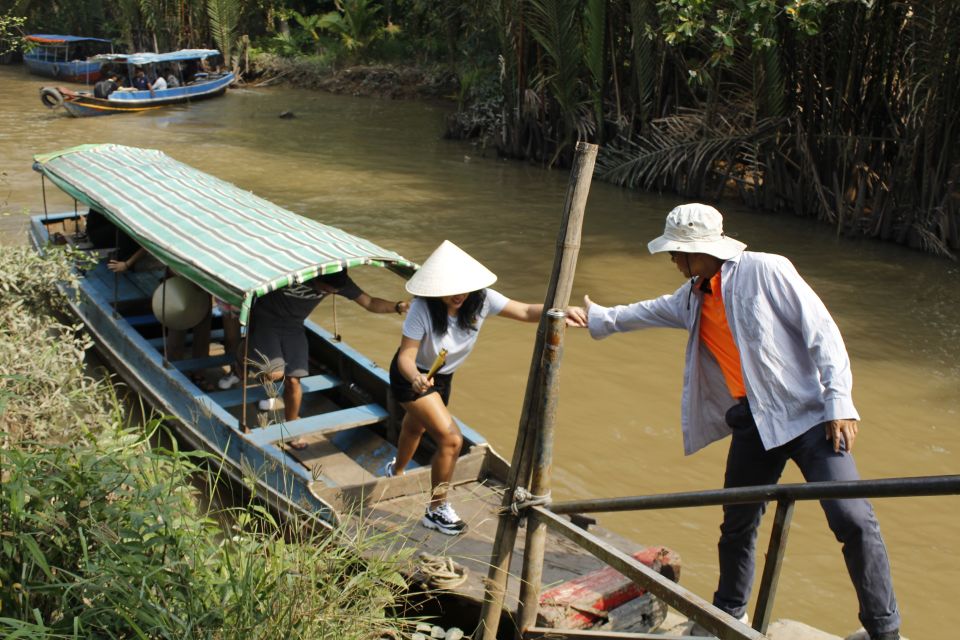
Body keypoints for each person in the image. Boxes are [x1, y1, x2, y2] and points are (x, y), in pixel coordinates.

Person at [571, 204, 900, 640]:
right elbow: (645, 312)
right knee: (737, 522)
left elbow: (822, 331)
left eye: (675, 252)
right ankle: (728, 614)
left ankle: (884, 630)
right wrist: (597, 318)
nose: (671, 261)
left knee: (853, 518)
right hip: (755, 421)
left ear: (698, 250)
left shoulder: (766, 270)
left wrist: (840, 401)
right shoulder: (693, 294)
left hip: (811, 417)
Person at [386, 240, 586, 536]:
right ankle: (436, 509)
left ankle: (396, 471)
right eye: (451, 289)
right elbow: (405, 356)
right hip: (412, 377)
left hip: (442, 377)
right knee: (452, 440)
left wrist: (561, 311)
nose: (459, 295)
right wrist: (415, 377)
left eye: (463, 287)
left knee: (416, 428)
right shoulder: (421, 308)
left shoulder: (483, 299)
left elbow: (526, 311)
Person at [247, 269, 409, 447]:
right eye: (327, 289)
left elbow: (369, 302)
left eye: (334, 291)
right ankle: (243, 351)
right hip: (265, 320)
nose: (331, 293)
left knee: (294, 380)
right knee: (274, 375)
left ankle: (291, 426)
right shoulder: (296, 273)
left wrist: (398, 306)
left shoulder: (340, 282)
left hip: (293, 326)